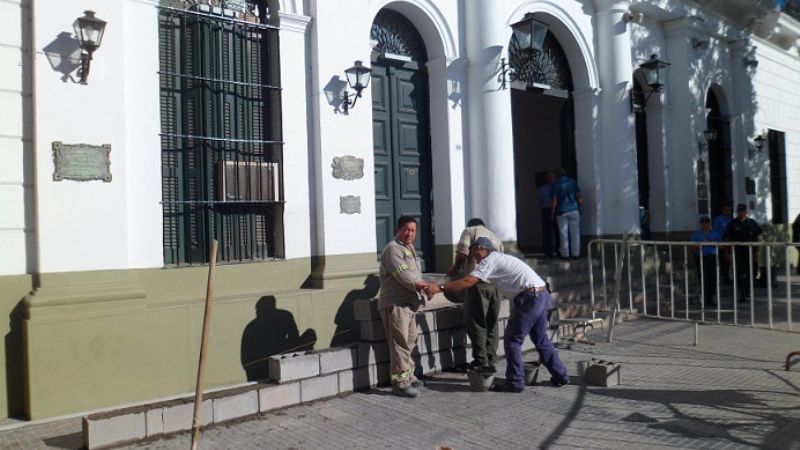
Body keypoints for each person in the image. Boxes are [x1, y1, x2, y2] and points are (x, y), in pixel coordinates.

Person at [427, 237, 569, 393]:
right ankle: (560, 375)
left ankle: (515, 382)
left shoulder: (490, 260)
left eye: (475, 252)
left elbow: (468, 282)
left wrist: (440, 287)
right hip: (541, 293)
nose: (474, 256)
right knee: (541, 339)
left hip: (529, 298)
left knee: (512, 340)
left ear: (484, 249)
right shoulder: (501, 258)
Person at [378, 216, 432, 398]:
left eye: (413, 231)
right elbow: (404, 275)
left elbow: (414, 273)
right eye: (406, 230)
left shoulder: (409, 248)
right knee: (399, 344)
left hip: (409, 305)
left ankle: (408, 375)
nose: (410, 234)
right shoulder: (393, 249)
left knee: (409, 342)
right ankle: (400, 384)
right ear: (398, 230)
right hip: (396, 305)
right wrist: (425, 286)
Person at [445, 218, 504, 373]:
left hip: (478, 285)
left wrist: (455, 269)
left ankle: (480, 361)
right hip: (496, 287)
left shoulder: (470, 231)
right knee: (491, 323)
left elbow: (462, 253)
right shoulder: (496, 238)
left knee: (476, 322)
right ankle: (491, 359)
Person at [723, 204, 763, 303]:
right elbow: (727, 238)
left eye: (743, 211)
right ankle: (742, 293)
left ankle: (748, 289)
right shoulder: (733, 223)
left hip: (751, 252)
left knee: (752, 272)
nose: (741, 213)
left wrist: (757, 252)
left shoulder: (751, 222)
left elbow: (757, 237)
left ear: (746, 212)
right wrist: (727, 252)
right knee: (740, 273)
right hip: (738, 252)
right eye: (739, 211)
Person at [551, 168, 582, 260]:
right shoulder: (573, 182)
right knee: (575, 233)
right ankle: (576, 253)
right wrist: (579, 208)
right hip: (574, 210)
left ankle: (565, 254)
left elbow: (554, 200)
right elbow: (579, 196)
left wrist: (552, 212)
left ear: (556, 175)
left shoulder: (556, 184)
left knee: (563, 234)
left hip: (561, 211)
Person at [689, 216, 721, 306]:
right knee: (703, 277)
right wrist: (701, 244)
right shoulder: (697, 234)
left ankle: (710, 298)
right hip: (702, 257)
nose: (705, 225)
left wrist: (713, 242)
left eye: (707, 223)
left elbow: (722, 245)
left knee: (712, 278)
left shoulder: (715, 233)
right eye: (703, 223)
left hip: (713, 256)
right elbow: (691, 247)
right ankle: (705, 298)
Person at [538, 171, 559, 259]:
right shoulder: (543, 188)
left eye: (552, 176)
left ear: (555, 177)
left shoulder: (558, 187)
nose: (550, 178)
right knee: (547, 232)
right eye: (548, 176)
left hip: (558, 210)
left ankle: (559, 251)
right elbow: (540, 201)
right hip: (546, 210)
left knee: (558, 232)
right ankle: (547, 253)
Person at [712, 205, 734, 283]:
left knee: (729, 261)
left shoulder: (731, 219)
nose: (728, 212)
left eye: (729, 210)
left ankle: (728, 277)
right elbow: (715, 231)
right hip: (721, 243)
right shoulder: (718, 220)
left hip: (730, 243)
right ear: (722, 210)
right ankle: (724, 277)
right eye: (726, 210)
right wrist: (718, 242)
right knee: (722, 260)